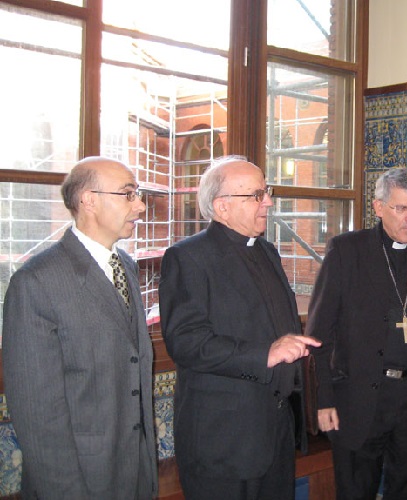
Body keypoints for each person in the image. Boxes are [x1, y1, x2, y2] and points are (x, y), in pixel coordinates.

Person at [158, 155, 321, 500]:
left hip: (275, 433)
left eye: (267, 192)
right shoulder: (188, 258)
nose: (269, 202)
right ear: (222, 207)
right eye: (257, 195)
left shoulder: (268, 252)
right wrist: (267, 352)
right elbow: (186, 342)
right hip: (224, 440)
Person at [306, 167, 407, 500]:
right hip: (361, 400)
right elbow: (319, 334)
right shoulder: (347, 252)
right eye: (400, 208)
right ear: (378, 207)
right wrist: (324, 400)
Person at [2, 156, 158, 499]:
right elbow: (37, 413)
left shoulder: (126, 266)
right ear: (89, 199)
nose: (141, 206)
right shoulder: (36, 281)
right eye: (128, 194)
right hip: (79, 482)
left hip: (134, 473)